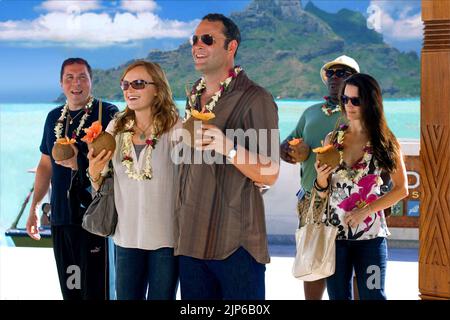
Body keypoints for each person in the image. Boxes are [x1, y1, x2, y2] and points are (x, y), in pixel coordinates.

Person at [175, 13, 279, 300]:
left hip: (235, 244)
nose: (197, 45)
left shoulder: (255, 98)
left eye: (208, 39)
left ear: (231, 47)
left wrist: (228, 147)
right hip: (191, 242)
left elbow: (270, 171)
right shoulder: (193, 97)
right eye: (194, 39)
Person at [26, 58, 118, 300]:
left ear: (91, 81)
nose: (76, 83)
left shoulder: (108, 114)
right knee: (72, 289)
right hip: (63, 219)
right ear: (61, 83)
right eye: (69, 78)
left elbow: (117, 167)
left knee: (98, 292)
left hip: (96, 219)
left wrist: (79, 163)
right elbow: (45, 165)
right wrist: (34, 208)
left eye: (82, 77)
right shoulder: (53, 117)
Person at [87, 60, 180, 300]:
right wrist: (93, 170)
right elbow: (101, 184)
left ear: (157, 88)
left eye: (138, 83)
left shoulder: (175, 127)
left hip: (166, 239)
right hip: (126, 236)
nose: (130, 90)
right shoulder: (116, 127)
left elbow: (193, 177)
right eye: (125, 84)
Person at [314, 73, 408, 300]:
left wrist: (365, 210)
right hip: (334, 238)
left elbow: (401, 189)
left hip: (371, 239)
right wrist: (321, 178)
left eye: (356, 100)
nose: (349, 105)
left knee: (374, 295)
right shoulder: (332, 139)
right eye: (345, 99)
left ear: (370, 101)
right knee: (338, 297)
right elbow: (322, 191)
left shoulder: (385, 141)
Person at [280, 55, 360, 300]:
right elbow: (288, 143)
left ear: (355, 80)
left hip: (350, 200)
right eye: (331, 73)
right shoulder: (311, 112)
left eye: (342, 72)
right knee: (312, 261)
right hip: (312, 198)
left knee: (355, 265)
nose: (335, 77)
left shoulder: (359, 113)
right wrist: (288, 150)